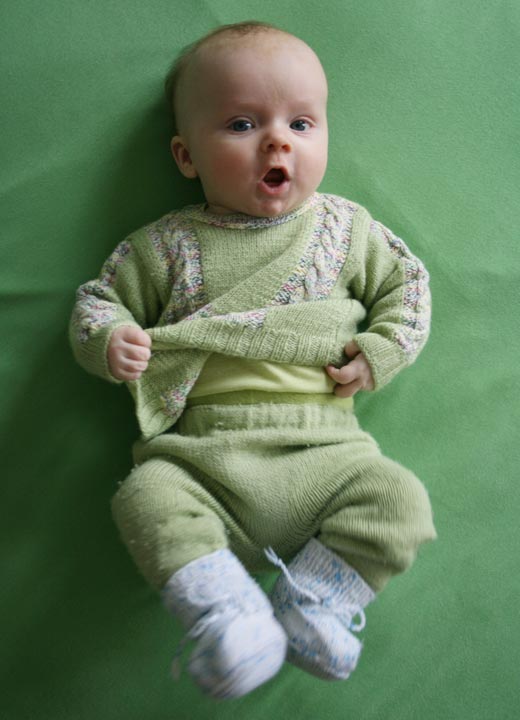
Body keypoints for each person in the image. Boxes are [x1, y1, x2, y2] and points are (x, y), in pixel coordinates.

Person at [70, 21, 436, 700]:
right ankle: (226, 612)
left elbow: (407, 287)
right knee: (144, 499)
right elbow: (98, 301)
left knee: (399, 500)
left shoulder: (346, 229)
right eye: (242, 124)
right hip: (202, 459)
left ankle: (314, 602)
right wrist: (109, 338)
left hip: (327, 452)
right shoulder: (165, 246)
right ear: (186, 156)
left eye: (301, 123)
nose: (278, 141)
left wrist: (382, 349)